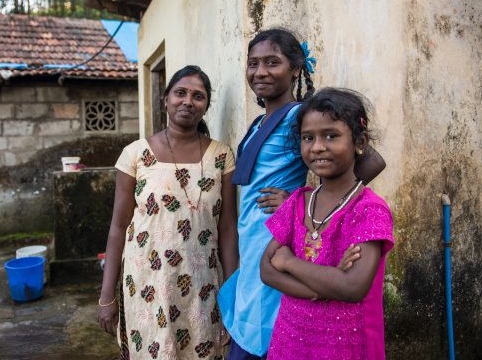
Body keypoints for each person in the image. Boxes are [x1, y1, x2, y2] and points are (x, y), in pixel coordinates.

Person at [217, 28, 386, 359]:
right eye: (253, 63)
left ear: (296, 69)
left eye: (272, 62)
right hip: (255, 239)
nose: (260, 71)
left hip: (284, 236)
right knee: (252, 315)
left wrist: (308, 199)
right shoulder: (257, 123)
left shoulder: (300, 115)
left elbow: (372, 161)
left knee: (275, 326)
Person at [97, 65, 238, 359]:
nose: (188, 101)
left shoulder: (221, 155)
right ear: (165, 99)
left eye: (198, 96)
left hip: (202, 284)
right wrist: (106, 295)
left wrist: (232, 295)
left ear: (206, 106)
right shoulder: (135, 154)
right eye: (180, 93)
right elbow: (117, 228)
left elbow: (227, 227)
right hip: (146, 283)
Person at [261, 87, 394, 359]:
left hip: (344, 346)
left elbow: (352, 287)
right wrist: (325, 283)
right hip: (290, 341)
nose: (318, 146)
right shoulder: (298, 201)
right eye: (308, 137)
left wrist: (289, 263)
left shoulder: (369, 210)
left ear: (360, 142)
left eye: (331, 136)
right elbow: (266, 270)